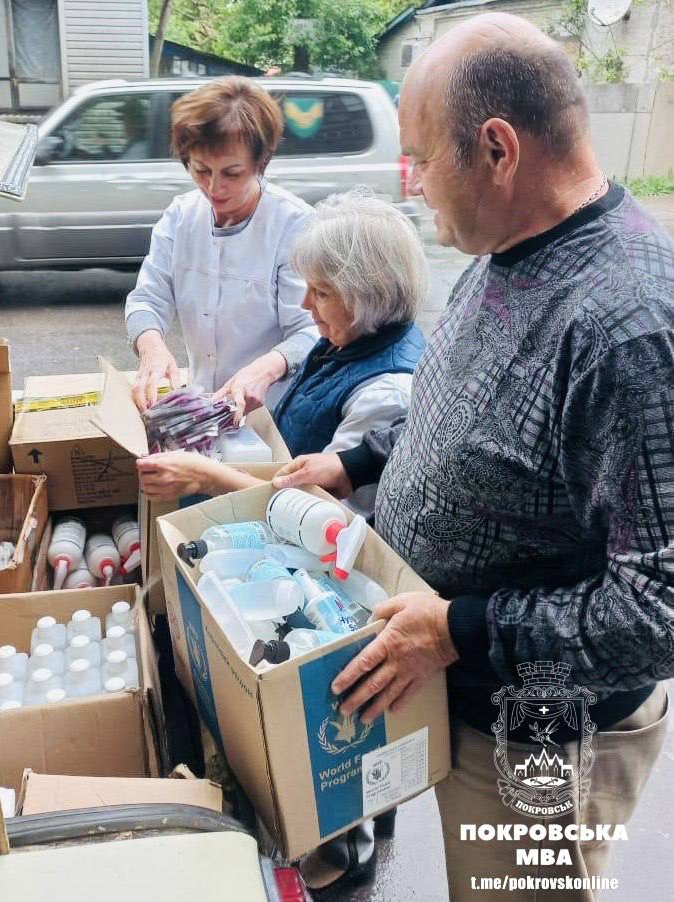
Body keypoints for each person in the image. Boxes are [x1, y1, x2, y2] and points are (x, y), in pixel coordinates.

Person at [274, 14, 673, 901]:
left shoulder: (629, 327)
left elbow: (658, 611)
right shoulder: (504, 250)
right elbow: (465, 415)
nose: (410, 185)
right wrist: (360, 461)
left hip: (545, 729)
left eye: (420, 157)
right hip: (464, 693)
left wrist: (455, 630)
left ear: (496, 148)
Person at [136, 190, 427, 525]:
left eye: (320, 293)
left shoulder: (384, 394)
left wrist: (209, 478)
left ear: (366, 296)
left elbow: (326, 521)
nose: (305, 305)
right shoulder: (350, 340)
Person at [125, 76, 317, 414]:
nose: (214, 187)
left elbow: (309, 329)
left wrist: (268, 368)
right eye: (201, 170)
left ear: (261, 162)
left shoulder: (294, 225)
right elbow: (146, 300)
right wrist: (151, 347)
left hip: (274, 410)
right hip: (204, 405)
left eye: (232, 173)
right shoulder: (180, 217)